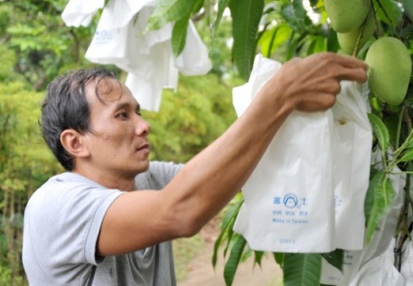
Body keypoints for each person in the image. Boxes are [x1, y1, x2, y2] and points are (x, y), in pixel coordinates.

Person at [22, 52, 368, 286]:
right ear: (75, 143)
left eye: (138, 112)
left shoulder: (145, 180)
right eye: (123, 115)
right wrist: (279, 95)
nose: (143, 126)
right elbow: (182, 210)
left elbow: (219, 172)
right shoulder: (57, 205)